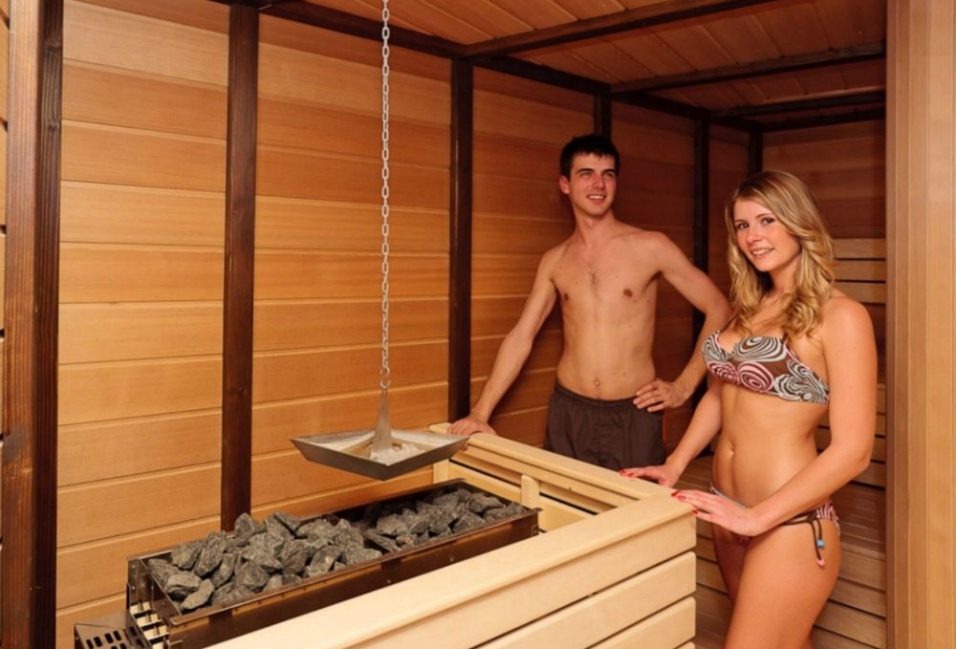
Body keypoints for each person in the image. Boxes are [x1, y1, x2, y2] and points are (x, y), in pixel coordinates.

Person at [621, 170, 876, 649]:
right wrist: (675, 464)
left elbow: (854, 451)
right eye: (742, 226)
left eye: (767, 220)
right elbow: (720, 395)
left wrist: (758, 518)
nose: (753, 236)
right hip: (729, 508)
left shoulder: (841, 316)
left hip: (787, 522)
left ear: (799, 222)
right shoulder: (751, 307)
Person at [449, 134, 730, 470]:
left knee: (637, 502)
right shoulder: (555, 261)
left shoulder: (651, 247)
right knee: (563, 499)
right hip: (570, 411)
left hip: (633, 412)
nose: (599, 184)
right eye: (586, 173)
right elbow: (522, 335)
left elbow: (719, 308)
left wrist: (683, 387)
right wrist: (480, 413)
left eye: (608, 174)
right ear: (565, 184)